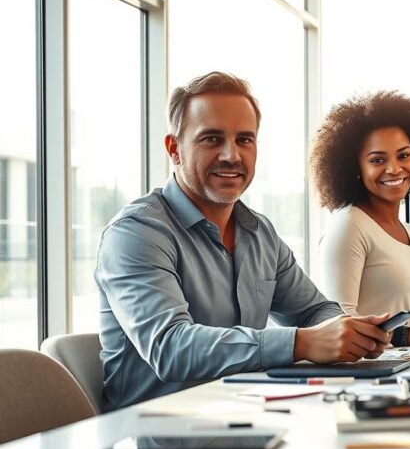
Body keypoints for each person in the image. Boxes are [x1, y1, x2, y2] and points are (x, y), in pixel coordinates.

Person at [95, 71, 392, 411]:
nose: (231, 155)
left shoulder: (258, 232)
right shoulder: (136, 233)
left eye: (244, 140)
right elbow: (170, 348)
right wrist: (302, 343)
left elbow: (312, 310)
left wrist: (349, 330)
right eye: (211, 139)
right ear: (174, 149)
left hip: (243, 416)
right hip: (153, 437)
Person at [311, 91, 410, 347]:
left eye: (403, 155)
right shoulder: (349, 225)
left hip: (404, 366)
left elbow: (404, 319)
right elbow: (338, 323)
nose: (394, 169)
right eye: (377, 160)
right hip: (363, 375)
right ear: (355, 168)